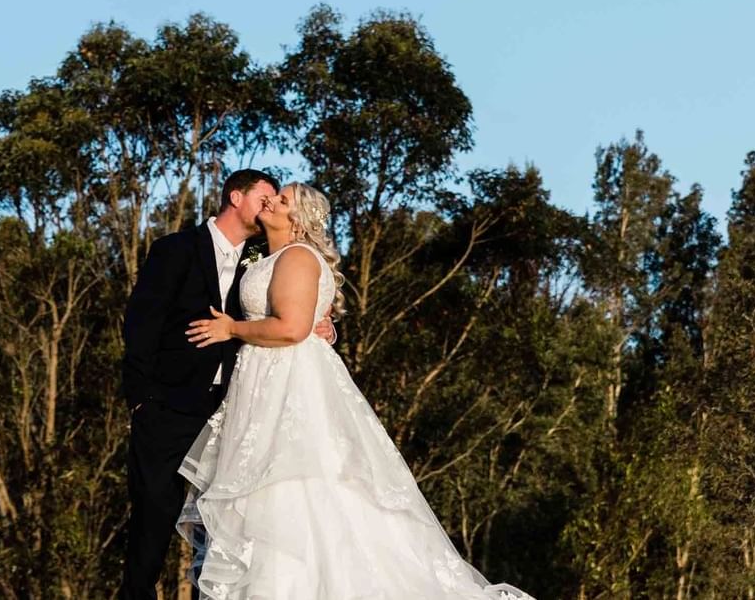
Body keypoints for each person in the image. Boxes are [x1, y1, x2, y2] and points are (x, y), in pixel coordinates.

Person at [177, 183, 536, 599]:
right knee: (271, 494)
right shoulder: (272, 257)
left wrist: (231, 328)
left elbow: (291, 329)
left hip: (287, 386)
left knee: (294, 488)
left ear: (298, 219)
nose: (273, 200)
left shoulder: (296, 257)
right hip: (263, 383)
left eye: (283, 199)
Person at [120, 169, 333, 599]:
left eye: (279, 199)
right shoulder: (175, 249)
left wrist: (321, 323)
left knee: (224, 518)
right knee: (154, 513)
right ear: (236, 197)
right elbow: (141, 324)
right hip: (168, 406)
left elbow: (289, 309)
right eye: (265, 196)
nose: (271, 203)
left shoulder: (269, 254)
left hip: (235, 407)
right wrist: (140, 400)